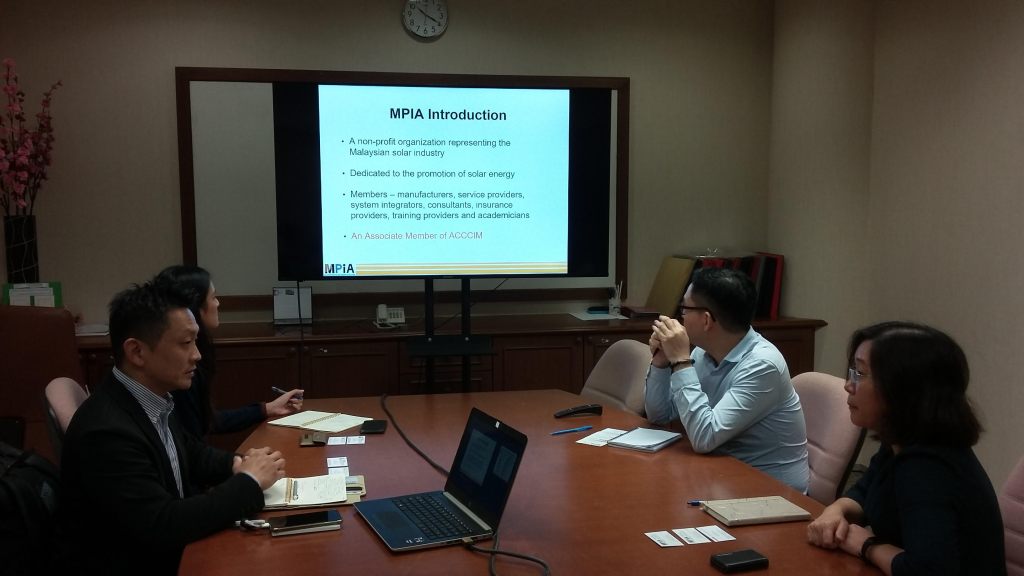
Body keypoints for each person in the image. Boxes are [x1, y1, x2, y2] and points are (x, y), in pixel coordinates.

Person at [58, 281, 287, 575]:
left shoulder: (151, 397)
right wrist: (249, 481)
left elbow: (187, 453)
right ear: (137, 352)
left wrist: (236, 463)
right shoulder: (106, 432)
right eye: (185, 343)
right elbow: (163, 524)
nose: (197, 355)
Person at [806, 321, 1005, 575]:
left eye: (861, 374)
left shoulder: (927, 467)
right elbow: (866, 490)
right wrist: (836, 511)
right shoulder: (903, 439)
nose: (848, 385)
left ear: (902, 389)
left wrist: (865, 545)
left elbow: (927, 571)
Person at [644, 267, 809, 492]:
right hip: (718, 474)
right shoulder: (703, 352)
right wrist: (661, 362)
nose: (680, 317)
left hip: (769, 491)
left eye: (684, 309)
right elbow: (659, 415)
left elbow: (705, 438)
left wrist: (681, 362)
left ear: (706, 320)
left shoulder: (762, 365)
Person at [155, 265, 304, 439]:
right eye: (213, 297)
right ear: (195, 307)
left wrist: (267, 408)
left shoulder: (196, 353)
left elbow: (206, 421)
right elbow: (192, 445)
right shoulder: (177, 366)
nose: (218, 303)